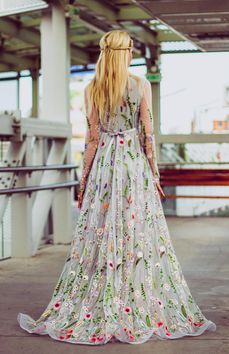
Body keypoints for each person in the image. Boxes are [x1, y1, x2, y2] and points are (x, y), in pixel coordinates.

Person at [17, 29, 216, 345]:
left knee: (101, 233)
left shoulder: (92, 88)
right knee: (136, 233)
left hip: (105, 169)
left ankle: (101, 300)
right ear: (127, 52)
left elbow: (92, 138)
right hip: (133, 166)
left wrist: (84, 183)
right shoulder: (140, 85)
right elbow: (147, 135)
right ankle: (134, 299)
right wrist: (154, 175)